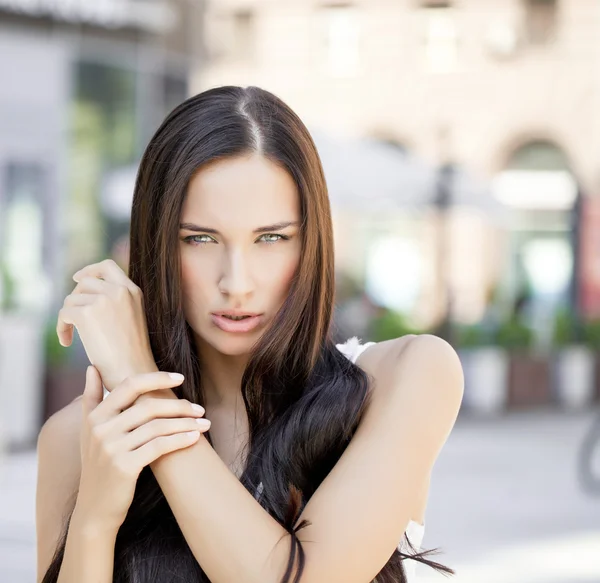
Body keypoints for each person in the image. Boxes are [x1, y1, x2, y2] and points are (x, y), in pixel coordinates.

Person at [35, 86, 464, 583]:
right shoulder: (81, 437)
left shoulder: (403, 377)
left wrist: (142, 386)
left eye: (271, 238)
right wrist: (94, 520)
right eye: (199, 238)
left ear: (311, 243)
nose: (236, 283)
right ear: (154, 246)